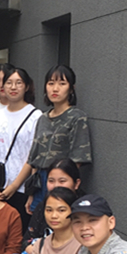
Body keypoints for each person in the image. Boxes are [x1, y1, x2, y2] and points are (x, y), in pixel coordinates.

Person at [0, 67, 42, 229]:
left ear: (26, 86)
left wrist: (14, 186)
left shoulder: (36, 116)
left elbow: (33, 157)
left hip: (22, 189)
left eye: (18, 83)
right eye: (9, 83)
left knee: (19, 233)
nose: (13, 87)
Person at [26, 64, 92, 212]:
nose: (55, 89)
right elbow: (35, 159)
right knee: (38, 221)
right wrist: (31, 193)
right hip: (40, 181)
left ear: (71, 88)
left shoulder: (77, 117)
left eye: (62, 84)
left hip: (61, 181)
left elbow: (77, 160)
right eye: (51, 83)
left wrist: (64, 184)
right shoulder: (42, 118)